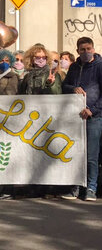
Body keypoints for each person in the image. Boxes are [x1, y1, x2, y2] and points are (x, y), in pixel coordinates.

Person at [61, 37, 102, 201]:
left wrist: (92, 110)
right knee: (76, 153)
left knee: (91, 155)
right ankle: (75, 188)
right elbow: (65, 87)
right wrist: (73, 88)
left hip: (94, 118)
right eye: (82, 49)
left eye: (88, 49)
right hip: (75, 118)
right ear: (77, 51)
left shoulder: (100, 67)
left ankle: (91, 188)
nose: (86, 52)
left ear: (93, 49)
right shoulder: (74, 67)